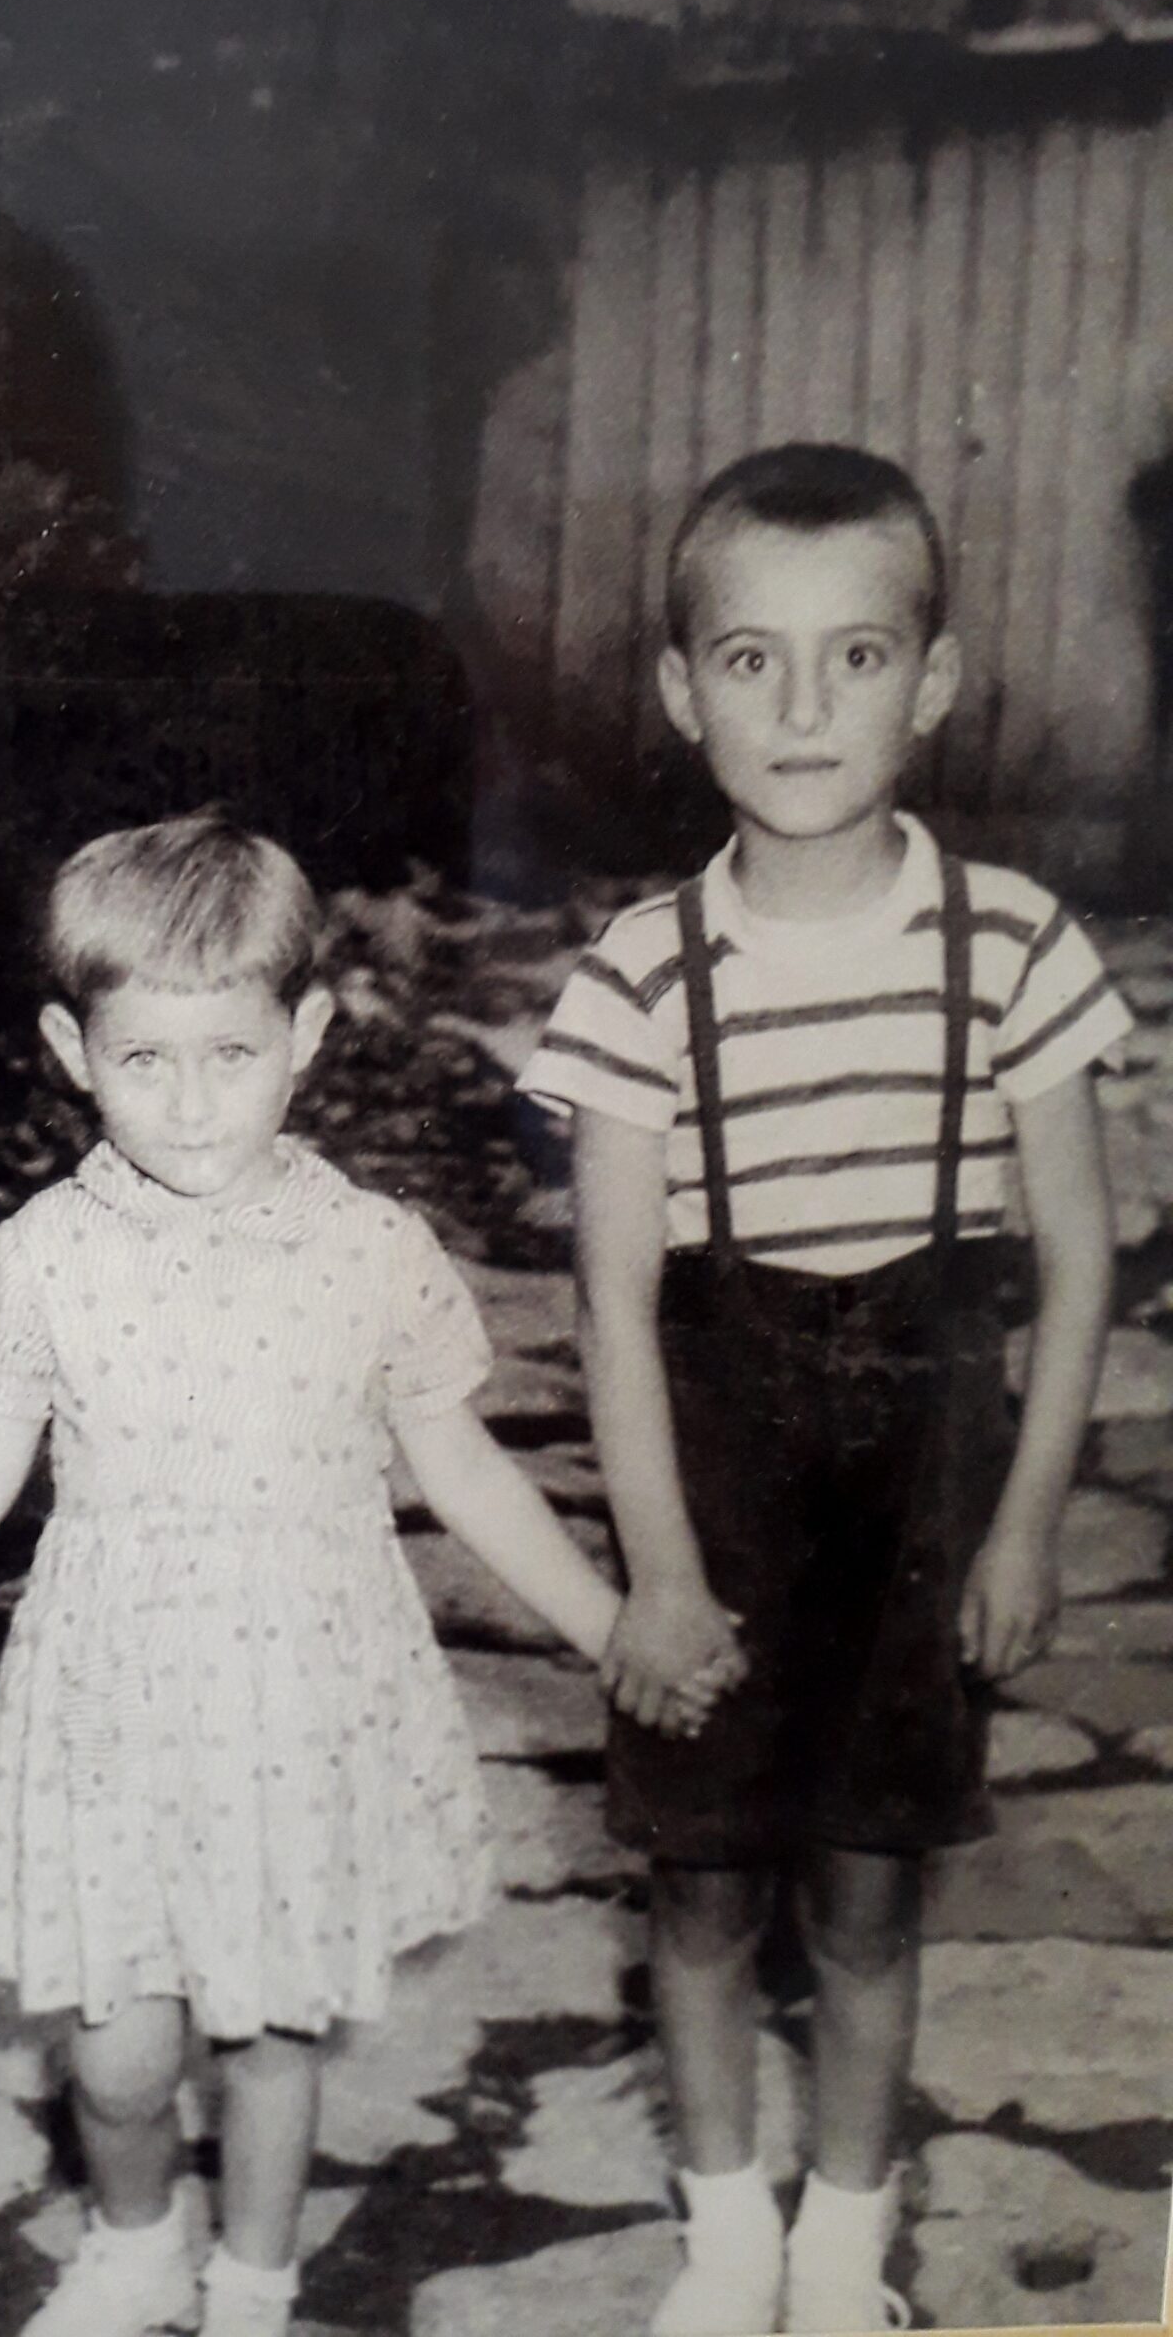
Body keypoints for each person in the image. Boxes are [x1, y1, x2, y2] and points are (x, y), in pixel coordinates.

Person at [0, 808, 719, 2337]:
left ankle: (255, 2280)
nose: (193, 1100)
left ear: (307, 1036)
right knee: (118, 2052)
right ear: (75, 1054)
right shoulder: (49, 1253)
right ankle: (135, 2238)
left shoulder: (373, 1249)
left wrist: (611, 1626)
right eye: (145, 1059)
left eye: (231, 1053)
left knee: (275, 2032)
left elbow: (468, 1469)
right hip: (110, 1707)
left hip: (298, 1703)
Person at [521, 444, 1129, 2336]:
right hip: (720, 1503)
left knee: (869, 1896)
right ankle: (726, 2244)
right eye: (752, 661)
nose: (803, 709)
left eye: (855, 658)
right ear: (682, 691)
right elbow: (615, 1306)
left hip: (920, 1514)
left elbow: (1083, 1262)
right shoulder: (640, 978)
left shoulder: (1012, 946)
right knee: (704, 1893)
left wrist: (1023, 1532)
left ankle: (846, 2247)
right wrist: (658, 1575)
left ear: (930, 683)